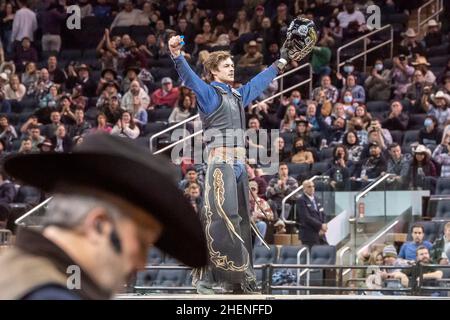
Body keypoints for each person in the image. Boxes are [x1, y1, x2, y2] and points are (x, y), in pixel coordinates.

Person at [168, 19, 308, 293]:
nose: (232, 66)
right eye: (226, 65)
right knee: (224, 217)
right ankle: (215, 278)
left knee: (242, 219)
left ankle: (238, 278)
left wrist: (279, 63)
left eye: (232, 63)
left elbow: (257, 83)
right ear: (214, 71)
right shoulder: (209, 93)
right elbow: (189, 79)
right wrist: (176, 55)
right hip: (220, 163)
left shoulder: (236, 95)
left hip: (239, 164)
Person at [0, 134, 207, 299]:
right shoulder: (51, 294)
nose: (142, 264)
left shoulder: (16, 271)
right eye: (142, 242)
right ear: (98, 225)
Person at [296, 179, 328, 248]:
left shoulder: (317, 199)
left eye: (313, 186)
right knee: (312, 255)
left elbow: (323, 213)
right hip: (309, 234)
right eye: (309, 187)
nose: (312, 188)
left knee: (325, 251)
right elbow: (306, 217)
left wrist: (324, 225)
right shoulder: (301, 200)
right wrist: (320, 226)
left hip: (321, 233)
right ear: (304, 189)